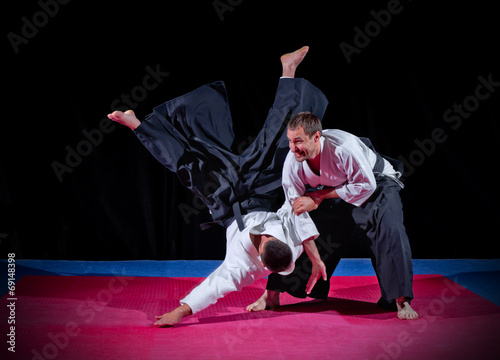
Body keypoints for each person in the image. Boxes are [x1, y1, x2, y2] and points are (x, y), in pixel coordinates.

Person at [108, 47, 330, 327]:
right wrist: (317, 259)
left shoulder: (246, 267)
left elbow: (216, 284)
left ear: (262, 263)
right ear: (275, 241)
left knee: (189, 165)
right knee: (273, 144)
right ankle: (288, 71)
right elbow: (300, 218)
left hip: (226, 205)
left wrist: (181, 311)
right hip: (258, 192)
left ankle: (137, 125)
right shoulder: (289, 241)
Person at [247, 111, 418, 320]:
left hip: (375, 183)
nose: (293, 148)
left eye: (298, 141)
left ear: (316, 137)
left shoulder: (343, 148)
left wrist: (319, 196)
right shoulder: (292, 163)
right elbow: (297, 214)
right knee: (294, 223)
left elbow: (366, 185)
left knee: (389, 227)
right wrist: (315, 258)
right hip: (334, 188)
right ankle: (272, 295)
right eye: (290, 141)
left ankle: (401, 300)